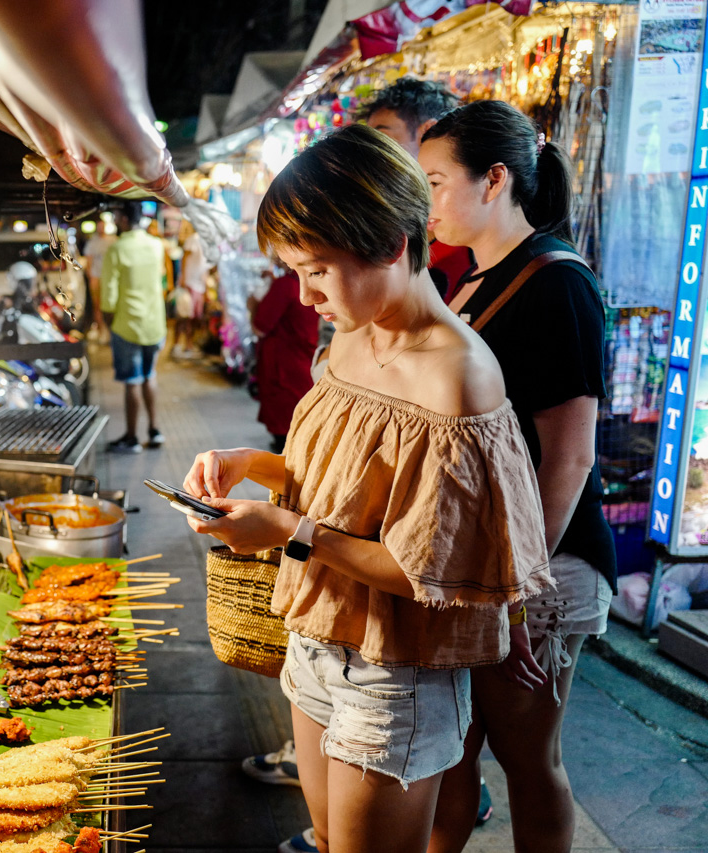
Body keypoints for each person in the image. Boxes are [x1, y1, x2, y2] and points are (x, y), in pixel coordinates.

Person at [181, 125, 552, 853]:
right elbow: (339, 485)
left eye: (316, 269)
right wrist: (252, 462)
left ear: (392, 245)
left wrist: (287, 532)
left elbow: (427, 571)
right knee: (326, 838)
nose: (304, 293)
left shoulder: (457, 374)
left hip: (394, 671)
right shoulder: (351, 331)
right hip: (316, 640)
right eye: (293, 270)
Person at [419, 100, 616, 853]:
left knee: (529, 759)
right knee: (454, 748)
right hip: (482, 564)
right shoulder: (470, 279)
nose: (428, 200)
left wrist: (522, 586)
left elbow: (569, 456)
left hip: (542, 566)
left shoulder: (559, 282)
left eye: (437, 181)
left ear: (494, 178)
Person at [357, 77, 471, 299]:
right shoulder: (388, 224)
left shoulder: (462, 232)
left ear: (428, 131)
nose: (371, 151)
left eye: (383, 137)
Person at [101, 201, 167, 453]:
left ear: (125, 220)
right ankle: (155, 429)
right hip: (154, 324)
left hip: (127, 324)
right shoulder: (156, 245)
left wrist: (109, 324)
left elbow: (108, 294)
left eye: (117, 217)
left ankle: (131, 438)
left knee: (132, 381)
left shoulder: (117, 249)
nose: (115, 221)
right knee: (150, 376)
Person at [250, 265, 318, 454]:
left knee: (285, 436)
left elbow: (260, 327)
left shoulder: (286, 285)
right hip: (303, 362)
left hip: (283, 367)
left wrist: (253, 305)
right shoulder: (312, 281)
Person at [172, 221, 210, 359]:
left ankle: (188, 345)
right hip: (189, 284)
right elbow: (185, 259)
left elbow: (204, 267)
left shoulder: (205, 243)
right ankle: (176, 345)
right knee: (184, 317)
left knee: (193, 318)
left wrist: (205, 288)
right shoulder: (193, 240)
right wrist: (182, 279)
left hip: (198, 286)